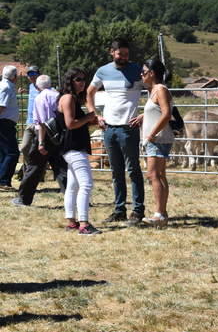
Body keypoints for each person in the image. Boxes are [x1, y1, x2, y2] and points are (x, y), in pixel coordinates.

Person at [86, 39, 145, 226]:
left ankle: (138, 211)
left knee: (133, 170)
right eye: (120, 54)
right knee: (116, 172)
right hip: (109, 128)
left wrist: (145, 114)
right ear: (112, 52)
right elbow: (89, 92)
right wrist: (96, 116)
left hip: (129, 128)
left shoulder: (137, 70)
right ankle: (119, 209)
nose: (124, 57)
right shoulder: (103, 71)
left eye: (126, 54)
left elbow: (155, 88)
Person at [12, 74, 68, 206]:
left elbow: (41, 122)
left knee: (34, 167)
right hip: (59, 134)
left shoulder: (39, 98)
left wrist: (41, 142)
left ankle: (23, 199)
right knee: (61, 168)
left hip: (45, 135)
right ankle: (72, 197)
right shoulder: (58, 96)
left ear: (37, 86)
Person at [58, 68, 100, 235]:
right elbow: (70, 124)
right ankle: (84, 223)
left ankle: (71, 222)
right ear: (70, 81)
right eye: (77, 79)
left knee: (73, 186)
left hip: (73, 147)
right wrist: (89, 117)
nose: (82, 82)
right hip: (73, 147)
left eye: (83, 79)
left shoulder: (71, 98)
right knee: (86, 184)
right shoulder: (68, 98)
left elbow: (76, 123)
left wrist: (90, 122)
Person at [140, 59, 174, 228]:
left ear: (152, 73)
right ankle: (162, 213)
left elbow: (166, 114)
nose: (141, 75)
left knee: (153, 175)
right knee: (159, 175)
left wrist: (151, 134)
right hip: (157, 138)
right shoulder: (153, 90)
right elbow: (157, 111)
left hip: (157, 139)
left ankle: (159, 214)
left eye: (144, 72)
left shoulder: (160, 89)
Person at [0, 65, 19, 189]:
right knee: (12, 153)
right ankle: (3, 180)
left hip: (4, 122)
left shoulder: (5, 86)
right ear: (14, 77)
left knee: (3, 153)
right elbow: (1, 106)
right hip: (4, 123)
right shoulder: (6, 87)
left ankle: (3, 179)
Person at [19, 65, 41, 168]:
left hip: (40, 122)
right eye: (29, 74)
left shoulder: (44, 86)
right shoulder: (31, 86)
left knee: (40, 148)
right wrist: (25, 91)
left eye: (33, 74)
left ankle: (40, 169)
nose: (31, 76)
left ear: (39, 74)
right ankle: (31, 167)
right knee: (24, 147)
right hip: (29, 121)